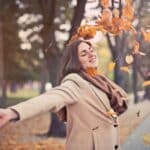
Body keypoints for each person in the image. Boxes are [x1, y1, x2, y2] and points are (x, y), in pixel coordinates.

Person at [0, 39, 128, 150]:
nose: (91, 54)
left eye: (91, 50)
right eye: (84, 54)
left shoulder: (100, 80)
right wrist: (13, 113)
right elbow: (50, 99)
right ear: (76, 62)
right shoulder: (75, 82)